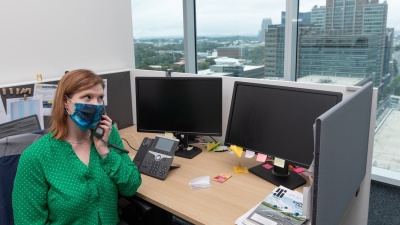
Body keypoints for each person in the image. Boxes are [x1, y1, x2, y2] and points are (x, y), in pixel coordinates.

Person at [12, 69, 142, 225]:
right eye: (87, 97)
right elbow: (28, 221)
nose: (96, 104)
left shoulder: (108, 135)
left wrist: (104, 151)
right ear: (65, 102)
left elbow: (131, 187)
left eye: (100, 98)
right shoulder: (36, 156)